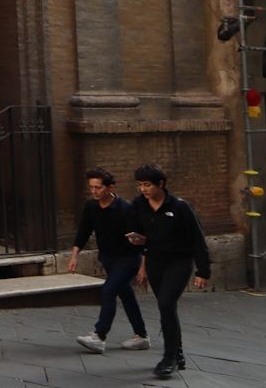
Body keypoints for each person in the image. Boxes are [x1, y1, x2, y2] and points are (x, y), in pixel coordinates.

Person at [125, 163, 210, 380]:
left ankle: (169, 357)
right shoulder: (138, 205)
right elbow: (136, 231)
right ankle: (177, 353)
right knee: (166, 309)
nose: (143, 190)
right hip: (155, 261)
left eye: (147, 185)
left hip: (179, 262)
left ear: (160, 184)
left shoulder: (180, 207)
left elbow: (198, 240)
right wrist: (137, 241)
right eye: (140, 185)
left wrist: (203, 271)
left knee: (166, 303)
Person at [68, 167, 150, 354]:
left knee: (108, 291)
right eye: (92, 187)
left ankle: (99, 336)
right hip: (107, 258)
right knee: (126, 295)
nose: (94, 191)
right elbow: (83, 232)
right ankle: (142, 336)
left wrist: (143, 266)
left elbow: (141, 239)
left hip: (128, 259)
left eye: (98, 188)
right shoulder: (91, 207)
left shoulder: (125, 209)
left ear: (110, 187)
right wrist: (74, 256)